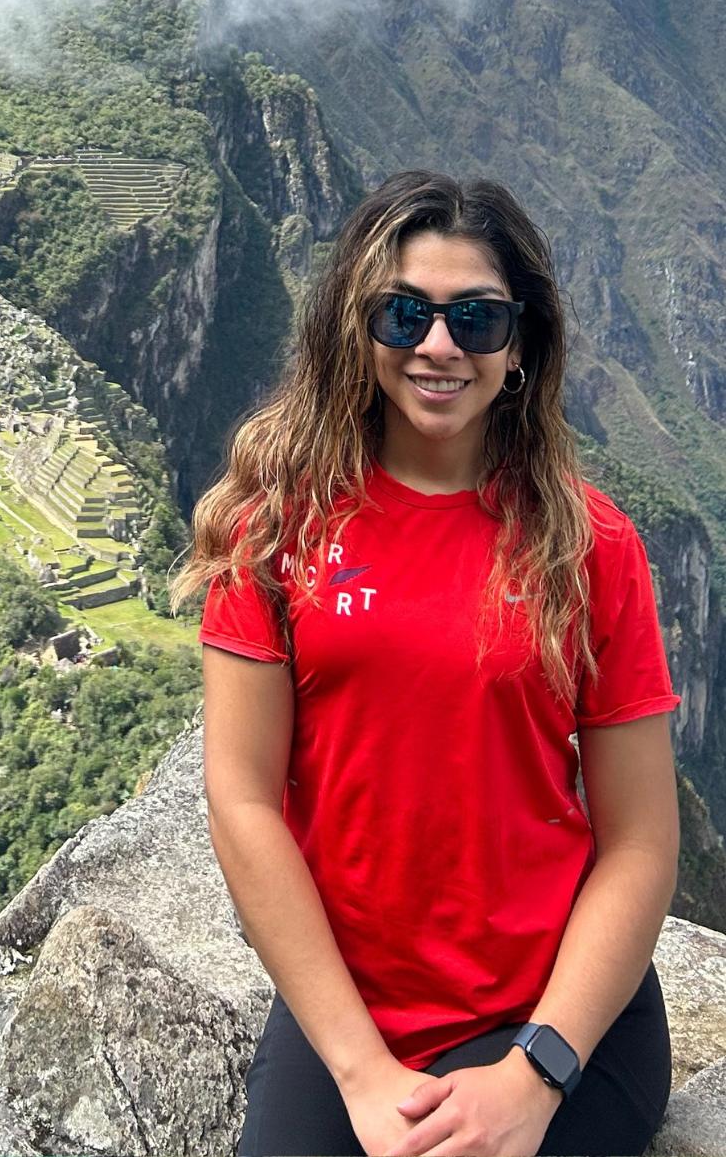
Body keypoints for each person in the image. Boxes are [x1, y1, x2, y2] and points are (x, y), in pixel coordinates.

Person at [169, 172, 680, 1157]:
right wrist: (359, 1073)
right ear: (355, 332)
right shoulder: (277, 528)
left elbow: (640, 844)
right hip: (355, 1005)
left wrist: (534, 1078)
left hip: (560, 1012)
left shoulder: (590, 546)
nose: (438, 347)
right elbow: (241, 798)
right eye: (403, 314)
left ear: (519, 342)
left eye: (477, 320)